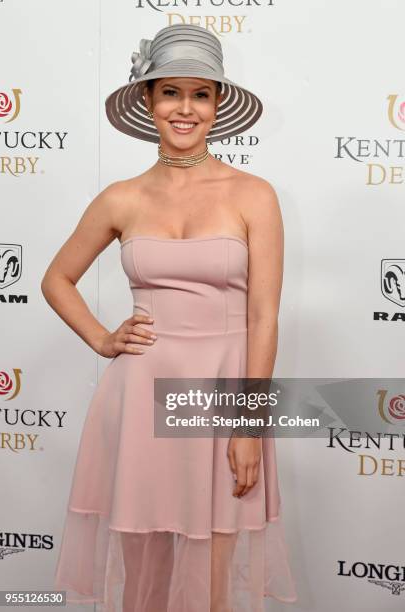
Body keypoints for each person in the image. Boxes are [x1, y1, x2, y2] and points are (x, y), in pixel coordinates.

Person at [42, 23, 297, 612]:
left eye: (200, 93)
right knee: (143, 573)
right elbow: (57, 279)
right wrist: (104, 339)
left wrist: (248, 425)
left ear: (217, 104)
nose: (185, 109)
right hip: (139, 393)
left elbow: (264, 317)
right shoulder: (121, 198)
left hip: (221, 395)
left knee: (214, 574)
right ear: (148, 100)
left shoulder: (253, 193)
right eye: (170, 92)